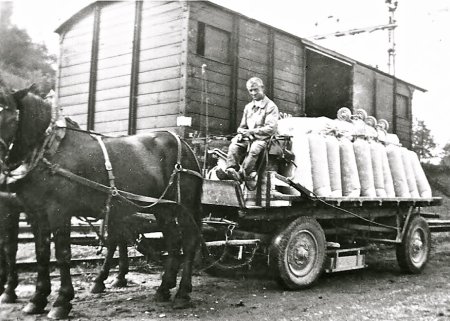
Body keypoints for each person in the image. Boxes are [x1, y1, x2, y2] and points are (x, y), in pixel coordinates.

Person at [218, 77, 279, 183]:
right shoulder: (248, 107)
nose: (253, 93)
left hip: (263, 139)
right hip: (248, 138)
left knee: (255, 148)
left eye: (256, 89)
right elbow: (242, 126)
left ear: (262, 88)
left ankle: (242, 174)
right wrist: (241, 133)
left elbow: (271, 128)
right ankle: (230, 170)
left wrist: (252, 132)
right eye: (251, 90)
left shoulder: (271, 106)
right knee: (234, 145)